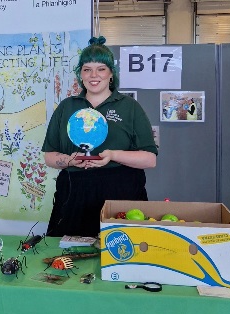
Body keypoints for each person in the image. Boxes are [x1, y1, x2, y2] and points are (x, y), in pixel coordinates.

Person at [41, 36, 158, 237]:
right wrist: (69, 160)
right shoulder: (66, 108)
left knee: (122, 253)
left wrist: (112, 155)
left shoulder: (130, 107)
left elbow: (150, 159)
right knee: (69, 257)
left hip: (121, 194)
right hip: (74, 194)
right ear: (81, 74)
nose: (94, 75)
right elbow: (49, 156)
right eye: (87, 69)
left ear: (111, 74)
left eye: (101, 69)